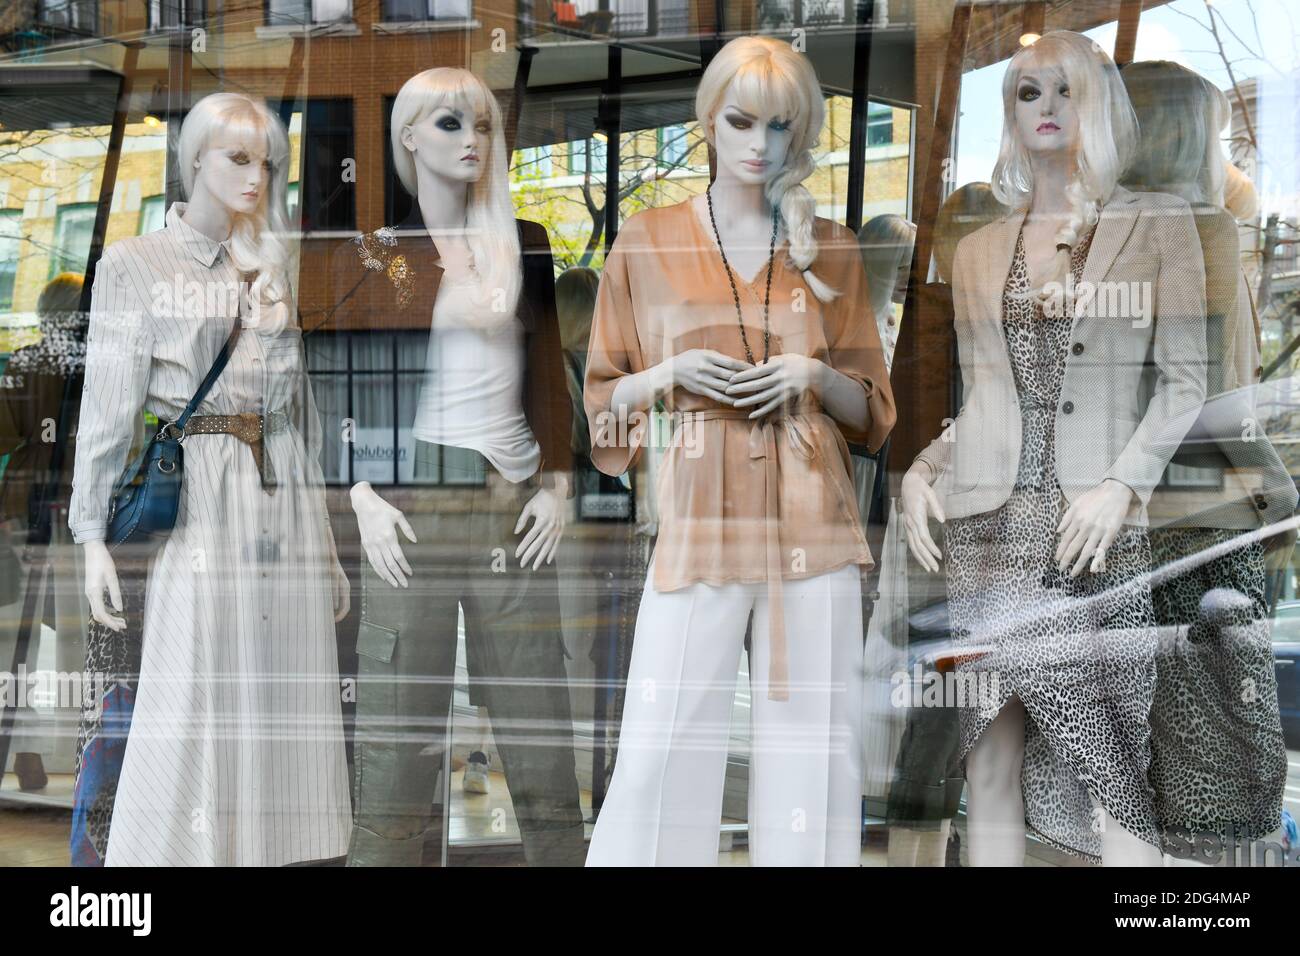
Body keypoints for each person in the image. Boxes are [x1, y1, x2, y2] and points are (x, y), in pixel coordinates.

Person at [584, 35, 895, 866]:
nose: (760, 146)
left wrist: (811, 374)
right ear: (708, 120)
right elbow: (600, 402)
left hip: (811, 519)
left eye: (782, 127)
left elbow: (874, 410)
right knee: (660, 747)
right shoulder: (645, 242)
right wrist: (666, 374)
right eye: (742, 122)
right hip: (698, 518)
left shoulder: (831, 247)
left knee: (815, 753)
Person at [899, 31, 1208, 865]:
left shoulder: (1158, 227)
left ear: (1097, 104)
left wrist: (1121, 486)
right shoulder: (975, 253)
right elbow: (984, 403)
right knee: (987, 755)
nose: (1046, 108)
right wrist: (924, 471)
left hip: (1089, 533)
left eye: (1065, 91)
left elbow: (1185, 384)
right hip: (987, 534)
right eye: (1028, 93)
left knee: (1112, 769)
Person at [70, 92, 352, 866]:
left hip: (279, 493)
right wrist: (89, 532)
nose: (257, 176)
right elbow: (107, 407)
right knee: (190, 693)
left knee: (278, 701)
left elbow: (294, 410)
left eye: (267, 162)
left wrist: (323, 539)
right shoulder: (134, 265)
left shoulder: (268, 262)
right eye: (237, 158)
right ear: (195, 160)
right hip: (198, 491)